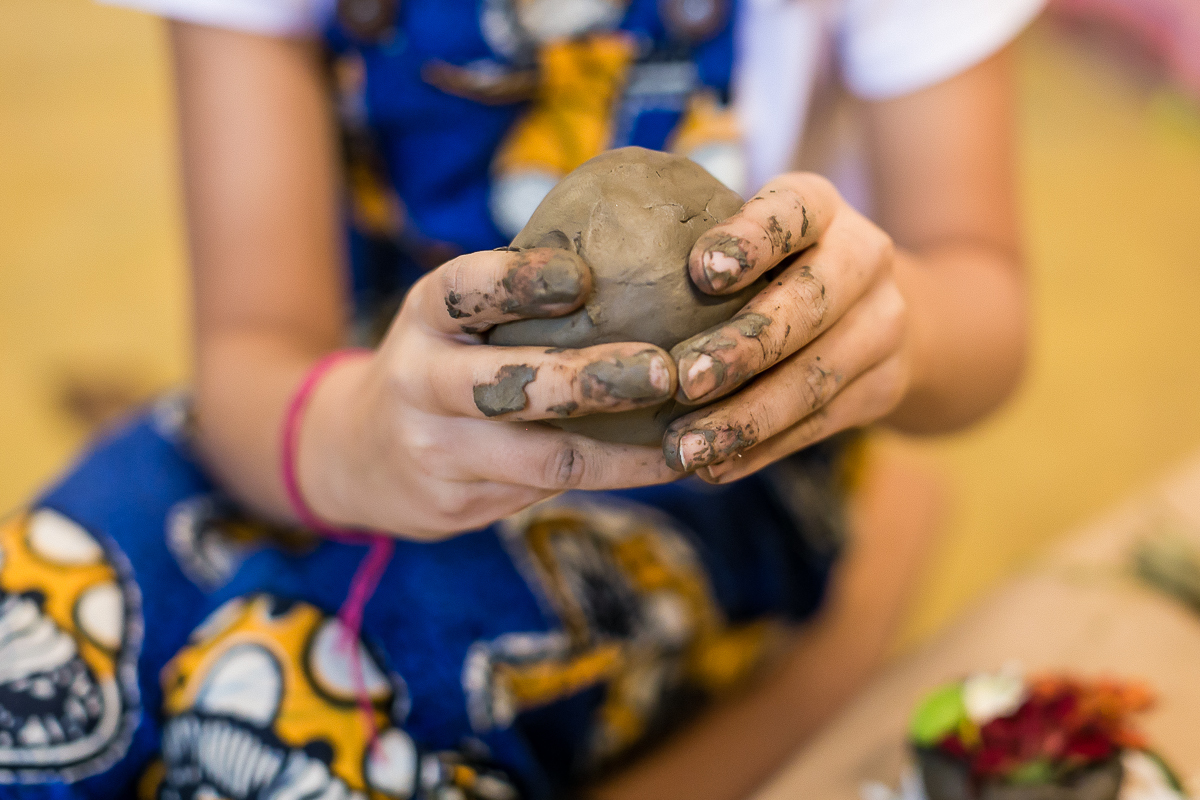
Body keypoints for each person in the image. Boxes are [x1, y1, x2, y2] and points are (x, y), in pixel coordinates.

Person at [0, 0, 1037, 797]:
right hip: (333, 401)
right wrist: (355, 442)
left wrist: (893, 327)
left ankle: (861, 569)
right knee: (36, 646)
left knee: (299, 727)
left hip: (712, 459)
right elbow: (251, 347)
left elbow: (982, 293)